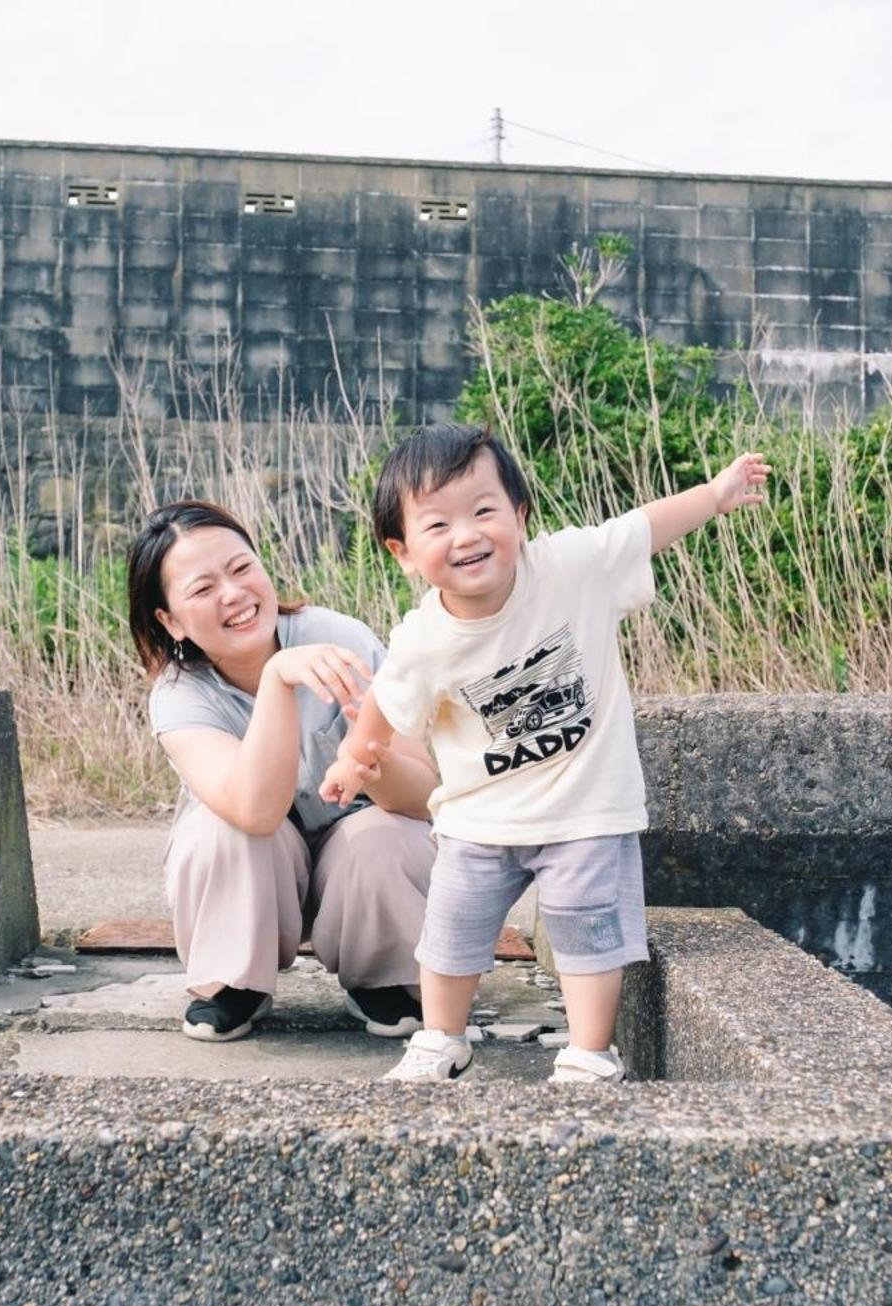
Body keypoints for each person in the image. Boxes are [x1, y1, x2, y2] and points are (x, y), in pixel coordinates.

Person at [321, 424, 770, 1082]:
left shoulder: (568, 567)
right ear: (404, 552)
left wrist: (715, 492)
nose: (467, 535)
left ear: (520, 515)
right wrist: (354, 760)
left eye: (483, 511)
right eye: (438, 524)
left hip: (586, 806)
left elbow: (644, 527)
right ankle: (441, 1038)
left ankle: (590, 1052)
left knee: (588, 935)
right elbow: (386, 703)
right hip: (480, 819)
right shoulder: (424, 638)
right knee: (448, 933)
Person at [129, 499, 440, 1042]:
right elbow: (253, 811)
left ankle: (385, 975)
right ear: (170, 620)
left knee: (386, 835)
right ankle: (233, 983)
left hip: (355, 857)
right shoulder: (180, 696)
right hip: (262, 859)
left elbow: (424, 795)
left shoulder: (340, 639)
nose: (233, 594)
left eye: (242, 568)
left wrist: (367, 759)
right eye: (202, 589)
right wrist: (277, 678)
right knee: (219, 831)